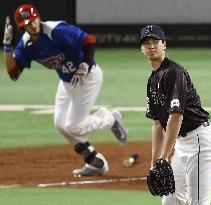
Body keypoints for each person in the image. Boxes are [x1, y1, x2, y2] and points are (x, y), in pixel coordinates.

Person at [2, 3, 128, 177]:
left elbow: (88, 40)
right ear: (22, 27)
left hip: (88, 77)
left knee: (74, 125)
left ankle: (110, 118)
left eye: (34, 19)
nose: (34, 24)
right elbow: (13, 73)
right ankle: (95, 162)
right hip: (67, 82)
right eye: (28, 23)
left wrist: (85, 63)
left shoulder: (56, 30)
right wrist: (7, 45)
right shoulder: (26, 45)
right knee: (60, 124)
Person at [140, 25, 211, 205]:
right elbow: (157, 125)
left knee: (198, 201)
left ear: (164, 45)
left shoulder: (174, 72)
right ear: (142, 49)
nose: (152, 46)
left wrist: (165, 156)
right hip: (182, 145)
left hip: (200, 141)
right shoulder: (152, 80)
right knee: (170, 200)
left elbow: (176, 116)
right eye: (147, 43)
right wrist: (155, 163)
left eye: (156, 42)